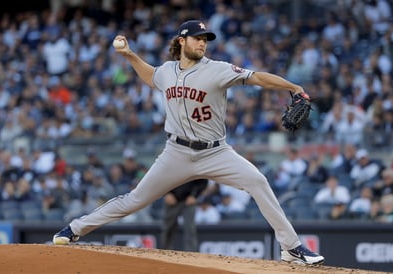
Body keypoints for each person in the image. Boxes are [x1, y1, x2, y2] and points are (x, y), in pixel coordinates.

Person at [53, 20, 324, 265]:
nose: (203, 42)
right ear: (182, 41)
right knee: (134, 200)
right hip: (176, 152)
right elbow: (150, 76)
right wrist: (130, 55)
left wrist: (293, 87)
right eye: (197, 38)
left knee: (258, 182)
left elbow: (257, 78)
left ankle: (291, 248)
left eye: (205, 39)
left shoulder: (218, 70)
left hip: (216, 152)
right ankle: (74, 229)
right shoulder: (168, 71)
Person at [160, 179, 208, 251]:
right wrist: (167, 193)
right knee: (168, 227)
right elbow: (161, 177)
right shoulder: (170, 167)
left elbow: (203, 181)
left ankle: (191, 254)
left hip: (188, 200)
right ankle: (164, 251)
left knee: (190, 227)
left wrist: (195, 196)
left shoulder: (194, 167)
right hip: (173, 198)